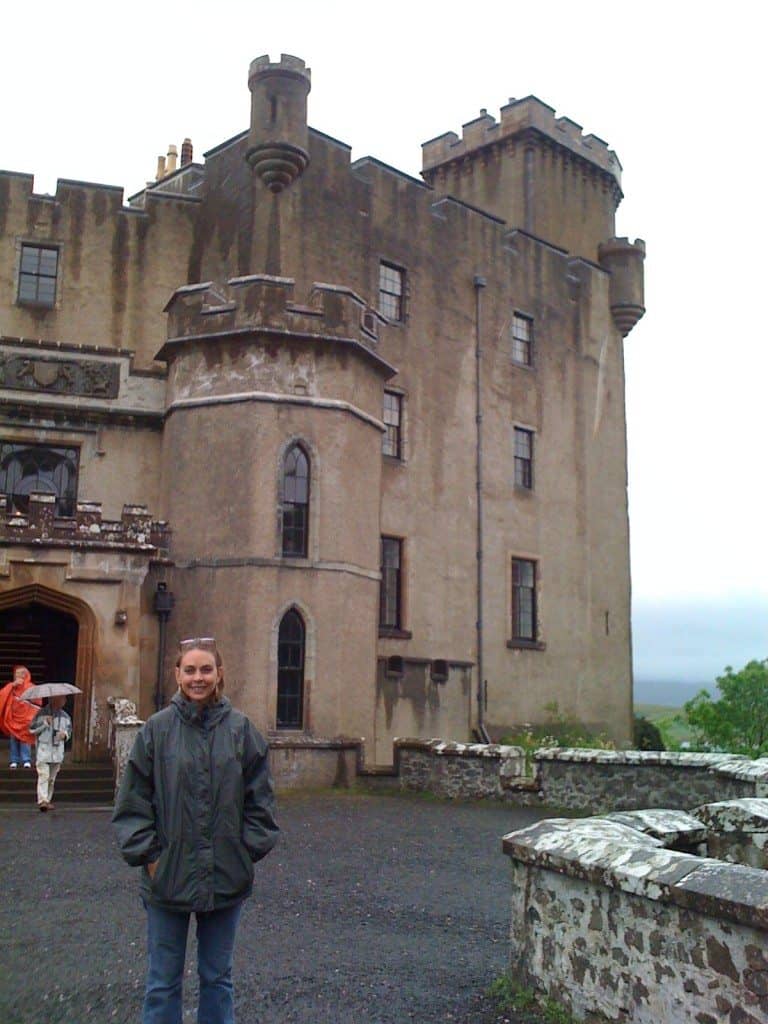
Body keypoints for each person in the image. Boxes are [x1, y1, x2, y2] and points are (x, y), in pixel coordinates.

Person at [112, 637, 279, 1024]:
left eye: (206, 669)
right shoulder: (156, 731)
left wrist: (243, 853)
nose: (198, 678)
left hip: (225, 878)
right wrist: (152, 859)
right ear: (177, 674)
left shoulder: (241, 731)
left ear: (219, 673)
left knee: (217, 978)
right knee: (162, 982)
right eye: (190, 670)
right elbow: (132, 802)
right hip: (166, 879)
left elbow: (262, 803)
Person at [29, 695, 72, 810]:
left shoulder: (65, 716)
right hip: (44, 749)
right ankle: (42, 800)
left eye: (64, 699)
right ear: (53, 700)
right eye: (61, 699)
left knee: (51, 778)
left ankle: (47, 799)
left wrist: (65, 735)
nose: (64, 701)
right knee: (44, 775)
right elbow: (32, 729)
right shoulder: (41, 714)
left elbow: (69, 731)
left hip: (57, 751)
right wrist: (44, 723)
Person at [0, 665, 39, 768]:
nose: (17, 676)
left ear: (25, 675)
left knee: (25, 739)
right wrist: (12, 685)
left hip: (26, 718)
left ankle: (26, 759)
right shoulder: (11, 687)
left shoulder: (31, 687)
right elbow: (2, 695)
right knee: (14, 739)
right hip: (13, 717)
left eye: (19, 674)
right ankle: (14, 759)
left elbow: (36, 703)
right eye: (16, 674)